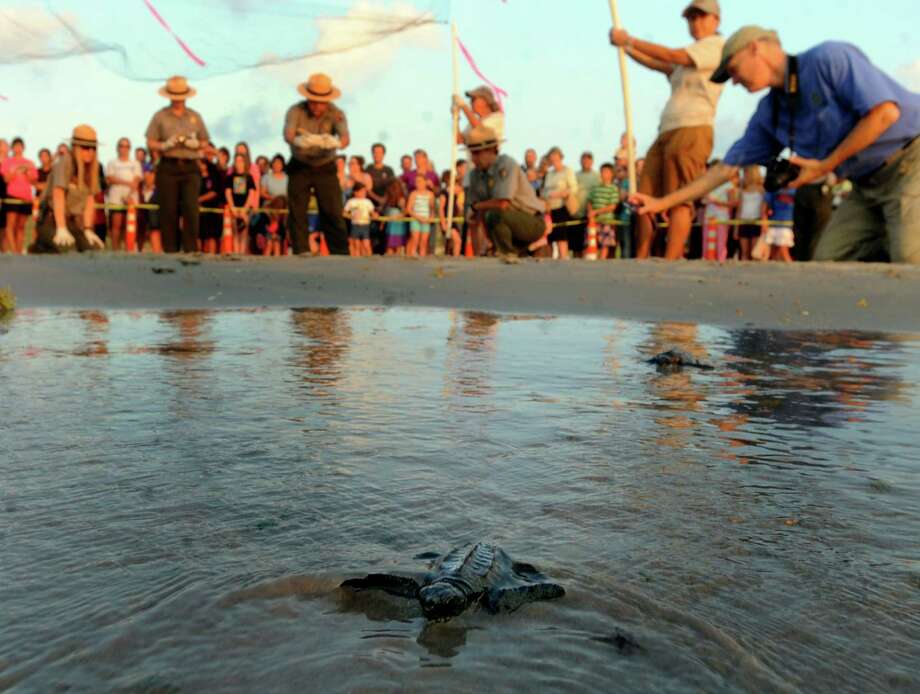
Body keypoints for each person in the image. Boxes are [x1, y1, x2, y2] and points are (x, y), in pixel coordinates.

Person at [634, 26, 920, 264]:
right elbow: (723, 170)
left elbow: (885, 113)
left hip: (911, 161)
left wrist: (825, 165)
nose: (733, 82)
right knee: (828, 265)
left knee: (910, 260)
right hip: (866, 186)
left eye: (732, 69)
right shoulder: (770, 112)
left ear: (755, 48)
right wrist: (661, 203)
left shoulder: (828, 58)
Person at [610, 0, 725, 260]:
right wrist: (625, 47)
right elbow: (660, 64)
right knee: (645, 194)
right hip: (668, 129)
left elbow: (673, 56)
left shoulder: (715, 47)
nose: (695, 24)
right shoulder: (691, 55)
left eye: (701, 17)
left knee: (679, 197)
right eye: (691, 19)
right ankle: (641, 255)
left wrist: (630, 39)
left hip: (694, 127)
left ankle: (672, 257)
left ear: (715, 20)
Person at [284, 72, 350, 255]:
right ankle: (300, 250)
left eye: (321, 102)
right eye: (313, 101)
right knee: (297, 210)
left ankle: (340, 254)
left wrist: (334, 142)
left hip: (325, 164)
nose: (317, 106)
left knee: (333, 210)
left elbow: (345, 138)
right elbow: (288, 134)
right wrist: (298, 141)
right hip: (300, 163)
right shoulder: (295, 111)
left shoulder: (336, 113)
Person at [145, 75, 210, 252]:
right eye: (175, 96)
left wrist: (195, 144)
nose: (178, 100)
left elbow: (205, 141)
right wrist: (164, 144)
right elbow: (150, 141)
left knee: (191, 208)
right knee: (168, 209)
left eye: (181, 96)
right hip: (168, 165)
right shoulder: (160, 116)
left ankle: (190, 249)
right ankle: (170, 250)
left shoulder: (195, 117)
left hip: (190, 166)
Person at [466, 126, 546, 258]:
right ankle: (505, 250)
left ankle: (506, 252)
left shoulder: (506, 165)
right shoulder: (475, 175)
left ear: (491, 150)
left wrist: (474, 207)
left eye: (476, 153)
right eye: (471, 154)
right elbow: (475, 217)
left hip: (531, 221)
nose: (473, 159)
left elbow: (502, 203)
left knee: (493, 213)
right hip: (507, 224)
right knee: (485, 214)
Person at [29, 125, 105, 254]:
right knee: (67, 249)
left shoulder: (92, 168)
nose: (90, 152)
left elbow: (90, 200)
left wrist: (87, 229)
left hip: (71, 221)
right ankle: (40, 245)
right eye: (86, 147)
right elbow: (58, 195)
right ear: (76, 147)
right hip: (51, 219)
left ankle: (48, 243)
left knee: (92, 249)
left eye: (93, 148)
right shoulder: (64, 163)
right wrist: (61, 228)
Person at [105, 137, 143, 251]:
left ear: (129, 148)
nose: (124, 149)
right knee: (116, 225)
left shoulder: (135, 163)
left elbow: (137, 180)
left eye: (126, 146)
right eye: (121, 146)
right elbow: (110, 179)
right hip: (116, 197)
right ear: (117, 148)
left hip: (131, 197)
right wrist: (126, 183)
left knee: (129, 225)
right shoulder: (112, 163)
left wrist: (129, 194)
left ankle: (129, 249)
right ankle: (115, 249)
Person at [2, 137, 38, 254]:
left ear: (23, 147)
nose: (18, 148)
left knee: (21, 226)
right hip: (12, 196)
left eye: (20, 146)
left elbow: (33, 181)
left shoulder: (30, 163)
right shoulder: (7, 162)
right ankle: (13, 251)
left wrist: (27, 171)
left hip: (26, 197)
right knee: (10, 225)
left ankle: (18, 251)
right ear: (12, 148)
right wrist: (15, 170)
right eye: (15, 146)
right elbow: (6, 179)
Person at [541, 146, 578, 259]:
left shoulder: (568, 170)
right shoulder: (549, 174)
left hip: (562, 206)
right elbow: (545, 191)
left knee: (561, 235)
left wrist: (562, 193)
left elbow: (574, 188)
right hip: (550, 208)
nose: (553, 159)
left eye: (555, 156)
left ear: (560, 157)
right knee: (552, 236)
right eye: (551, 157)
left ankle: (563, 258)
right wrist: (548, 196)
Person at [701, 161, 738, 261]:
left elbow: (733, 203)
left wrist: (716, 202)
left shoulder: (728, 185)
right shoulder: (707, 184)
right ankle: (707, 259)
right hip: (709, 216)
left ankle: (721, 259)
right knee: (707, 241)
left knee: (721, 241)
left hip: (722, 218)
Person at [587, 163, 621, 260]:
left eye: (606, 172)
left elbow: (612, 206)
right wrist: (590, 213)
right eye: (602, 171)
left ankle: (602, 260)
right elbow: (589, 201)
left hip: (607, 221)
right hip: (594, 222)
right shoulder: (595, 188)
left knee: (605, 243)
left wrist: (596, 212)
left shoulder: (613, 188)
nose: (603, 174)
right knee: (593, 242)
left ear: (611, 174)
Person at [225, 152, 257, 254]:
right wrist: (232, 207)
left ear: (244, 163)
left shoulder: (249, 177)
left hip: (245, 208)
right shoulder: (230, 177)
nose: (238, 163)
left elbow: (251, 193)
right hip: (234, 207)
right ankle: (236, 252)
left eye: (241, 161)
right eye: (236, 161)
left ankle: (242, 253)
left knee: (244, 232)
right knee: (235, 231)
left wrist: (245, 209)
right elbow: (228, 192)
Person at [737, 165, 767, 261]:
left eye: (746, 172)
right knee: (744, 252)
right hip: (743, 221)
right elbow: (739, 208)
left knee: (754, 252)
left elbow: (764, 208)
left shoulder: (762, 189)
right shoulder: (742, 189)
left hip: (756, 221)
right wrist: (736, 227)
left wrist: (764, 224)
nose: (744, 174)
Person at [405, 173, 435, 257]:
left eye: (420, 181)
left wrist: (431, 217)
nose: (418, 183)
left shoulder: (430, 194)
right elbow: (409, 209)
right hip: (415, 219)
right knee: (415, 239)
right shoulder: (413, 194)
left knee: (424, 242)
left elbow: (432, 208)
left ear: (425, 182)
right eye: (416, 182)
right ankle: (413, 257)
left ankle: (422, 258)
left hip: (426, 220)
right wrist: (418, 217)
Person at [765, 185, 796, 262]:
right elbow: (765, 207)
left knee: (783, 249)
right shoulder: (773, 190)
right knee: (774, 252)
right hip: (774, 224)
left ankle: (791, 268)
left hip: (787, 226)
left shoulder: (795, 190)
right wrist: (764, 223)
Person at [343, 183, 375, 257]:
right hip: (355, 225)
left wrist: (374, 215)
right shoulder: (351, 201)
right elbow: (344, 213)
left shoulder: (368, 202)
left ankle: (370, 259)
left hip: (365, 225)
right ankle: (356, 261)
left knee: (366, 244)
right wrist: (351, 216)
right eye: (361, 191)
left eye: (365, 191)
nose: (363, 193)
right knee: (356, 244)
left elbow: (373, 213)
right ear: (355, 192)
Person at [197, 158, 222, 254]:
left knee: (211, 236)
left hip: (212, 211)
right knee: (198, 235)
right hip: (199, 211)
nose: (200, 166)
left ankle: (211, 257)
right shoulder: (196, 177)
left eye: (202, 164)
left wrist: (198, 199)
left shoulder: (213, 176)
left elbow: (214, 192)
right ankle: (198, 254)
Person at [438, 169, 464, 256]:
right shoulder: (444, 193)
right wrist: (443, 223)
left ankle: (452, 257)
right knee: (457, 240)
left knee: (453, 242)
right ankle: (455, 259)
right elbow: (441, 208)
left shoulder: (457, 191)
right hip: (447, 220)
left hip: (454, 219)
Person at [382, 179, 407, 255]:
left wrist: (400, 214)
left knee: (397, 246)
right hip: (390, 226)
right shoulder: (388, 200)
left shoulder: (400, 199)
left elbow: (404, 211)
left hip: (397, 226)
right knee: (389, 246)